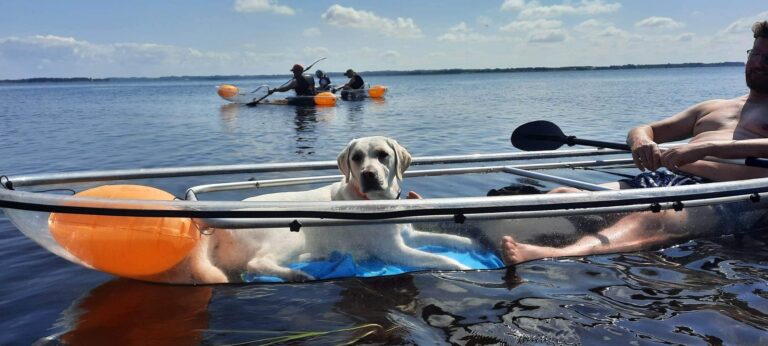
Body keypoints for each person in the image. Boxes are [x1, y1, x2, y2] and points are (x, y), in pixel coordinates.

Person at [501, 20, 768, 265]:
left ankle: (551, 254)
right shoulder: (713, 107)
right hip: (666, 180)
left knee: (650, 218)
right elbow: (645, 128)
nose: (758, 63)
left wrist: (707, 148)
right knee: (564, 196)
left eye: (767, 58)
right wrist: (641, 141)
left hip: (730, 196)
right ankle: (489, 231)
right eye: (755, 54)